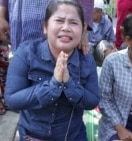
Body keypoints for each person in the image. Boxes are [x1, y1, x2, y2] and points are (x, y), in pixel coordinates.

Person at [4, 0, 99, 140]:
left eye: (73, 23)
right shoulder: (26, 53)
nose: (66, 28)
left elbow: (92, 101)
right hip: (32, 136)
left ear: (83, 29)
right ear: (45, 27)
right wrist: (53, 84)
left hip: (72, 136)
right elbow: (12, 99)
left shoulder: (86, 59)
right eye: (59, 21)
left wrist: (68, 83)